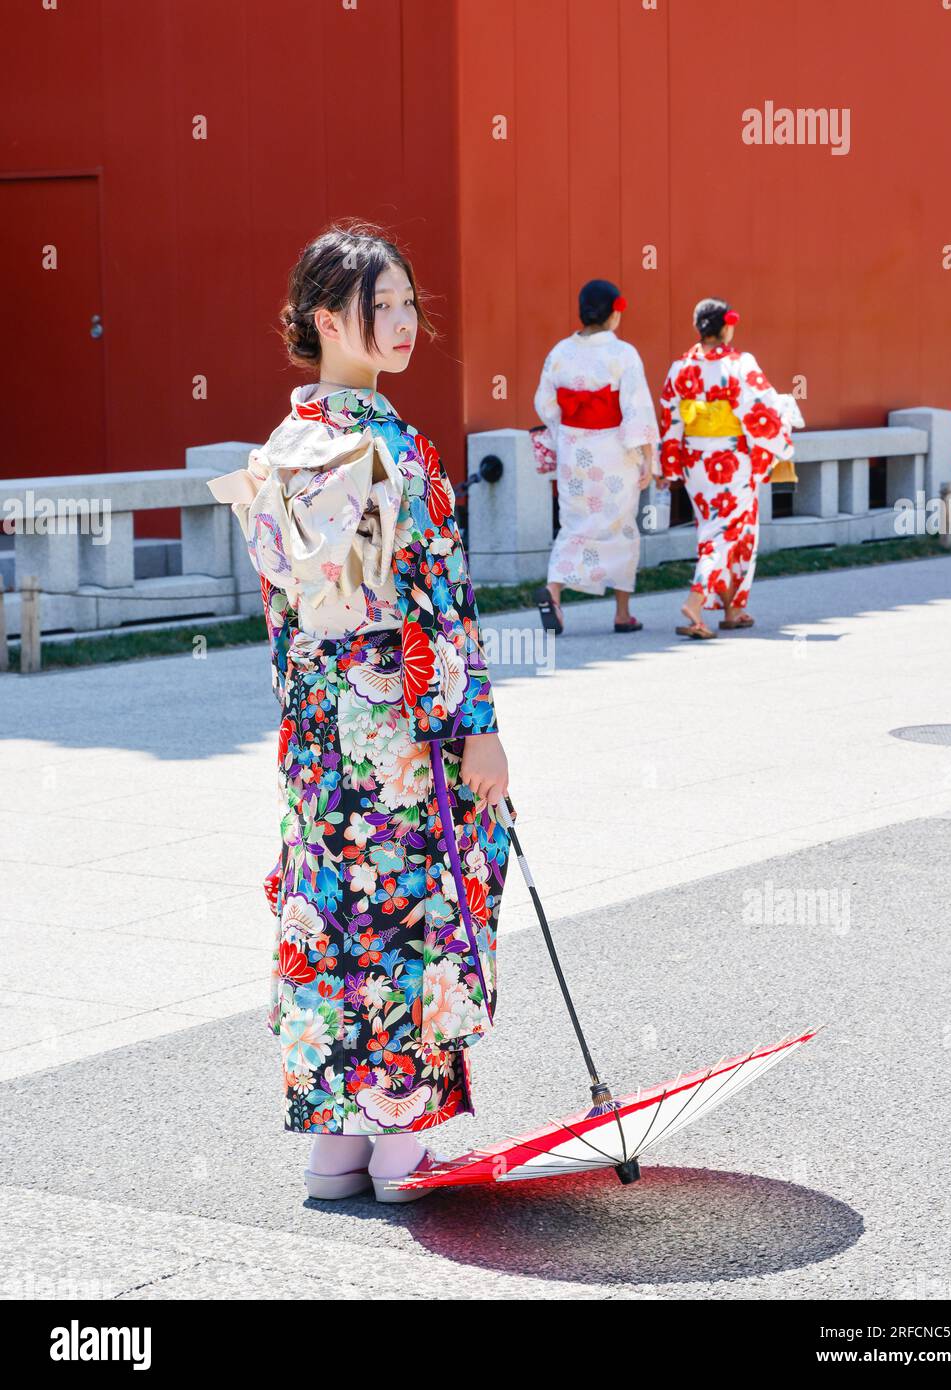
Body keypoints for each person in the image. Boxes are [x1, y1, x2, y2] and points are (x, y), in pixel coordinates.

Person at [208, 221, 513, 1203]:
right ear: (320, 318)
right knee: (412, 907)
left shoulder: (281, 450)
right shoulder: (392, 449)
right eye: (375, 306)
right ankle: (401, 1141)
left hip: (315, 738)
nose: (400, 322)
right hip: (399, 735)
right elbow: (431, 611)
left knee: (330, 904)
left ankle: (334, 1141)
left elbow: (290, 616)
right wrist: (476, 728)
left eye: (406, 303)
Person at [656, 299, 795, 638]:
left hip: (695, 462)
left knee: (725, 528)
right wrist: (783, 441)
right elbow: (761, 414)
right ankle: (696, 599)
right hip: (731, 461)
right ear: (727, 327)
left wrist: (668, 465)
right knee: (728, 531)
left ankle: (734, 608)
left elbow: (670, 420)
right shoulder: (739, 365)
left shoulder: (680, 368)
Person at [532, 279, 659, 635]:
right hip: (614, 450)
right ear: (614, 313)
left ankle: (554, 590)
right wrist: (649, 456)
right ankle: (622, 613)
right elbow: (636, 408)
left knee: (574, 522)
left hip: (575, 450)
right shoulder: (622, 354)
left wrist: (566, 436)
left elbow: (545, 404)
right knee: (620, 524)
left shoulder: (560, 352)